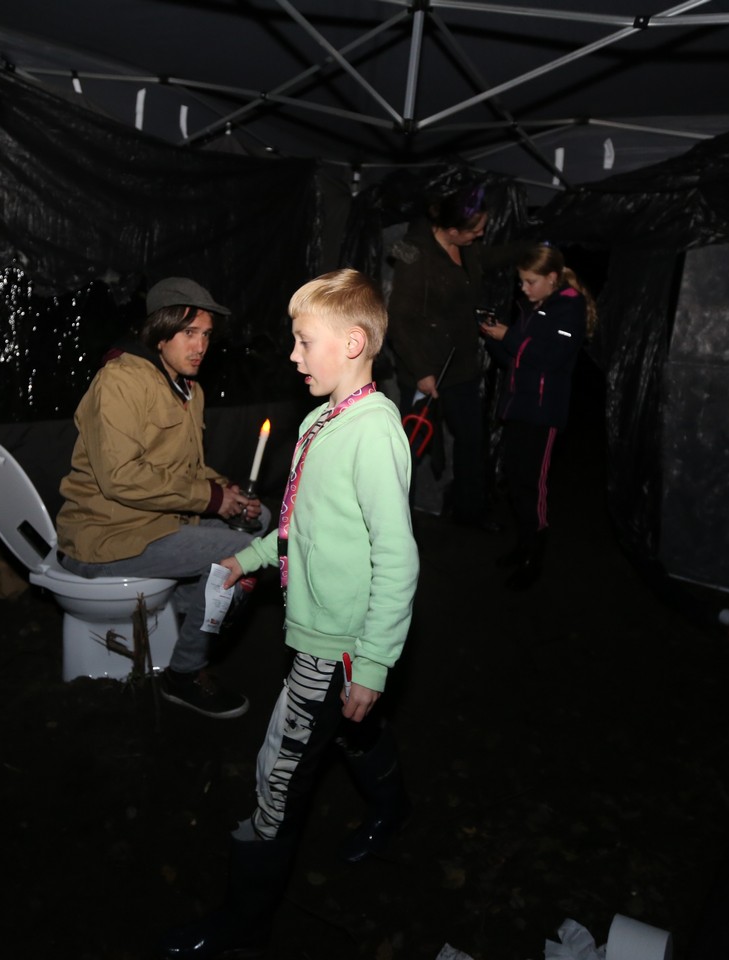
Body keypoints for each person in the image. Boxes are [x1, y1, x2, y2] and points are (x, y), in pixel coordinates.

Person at [158, 269, 420, 959]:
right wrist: (245, 558)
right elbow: (300, 527)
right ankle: (394, 809)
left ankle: (243, 929)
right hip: (324, 640)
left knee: (276, 780)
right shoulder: (319, 420)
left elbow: (398, 560)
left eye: (305, 342)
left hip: (334, 648)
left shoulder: (374, 435)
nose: (294, 355)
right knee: (354, 732)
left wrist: (372, 662)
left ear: (354, 342)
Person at [55, 277, 266, 719]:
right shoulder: (120, 381)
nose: (200, 346)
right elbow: (121, 477)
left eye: (206, 335)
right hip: (106, 538)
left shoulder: (188, 388)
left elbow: (186, 468)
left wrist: (224, 490)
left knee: (259, 518)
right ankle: (184, 673)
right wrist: (209, 499)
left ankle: (189, 611)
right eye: (189, 332)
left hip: (156, 525)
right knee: (245, 553)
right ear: (161, 330)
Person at [387, 181, 527, 528]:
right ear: (451, 230)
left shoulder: (467, 249)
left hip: (461, 366)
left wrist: (532, 247)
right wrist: (421, 371)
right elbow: (399, 321)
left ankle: (470, 513)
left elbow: (490, 256)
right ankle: (396, 524)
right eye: (475, 231)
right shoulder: (415, 255)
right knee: (411, 448)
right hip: (425, 369)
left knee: (471, 440)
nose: (480, 235)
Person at [478, 244, 597, 589]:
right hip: (520, 405)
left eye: (530, 282)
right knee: (516, 482)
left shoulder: (569, 308)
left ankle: (535, 557)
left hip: (544, 412)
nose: (524, 288)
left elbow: (549, 357)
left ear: (552, 278)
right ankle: (523, 546)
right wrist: (492, 337)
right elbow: (514, 359)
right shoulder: (534, 308)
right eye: (522, 282)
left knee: (533, 486)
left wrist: (509, 335)